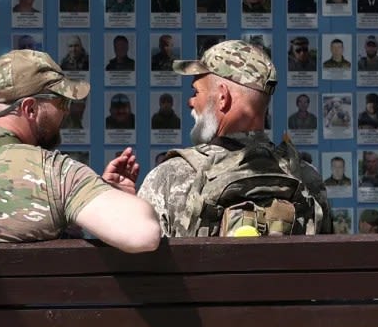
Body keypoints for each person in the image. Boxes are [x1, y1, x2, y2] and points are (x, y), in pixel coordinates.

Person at [0, 50, 160, 251]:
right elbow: (143, 235)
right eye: (61, 101)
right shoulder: (52, 173)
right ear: (30, 109)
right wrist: (112, 197)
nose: (66, 111)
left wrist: (100, 196)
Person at [138, 40, 331, 236]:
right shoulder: (307, 177)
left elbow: (139, 259)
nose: (190, 101)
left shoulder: (170, 177)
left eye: (196, 92)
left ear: (223, 97)